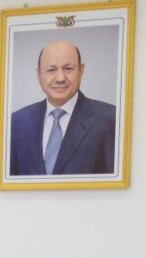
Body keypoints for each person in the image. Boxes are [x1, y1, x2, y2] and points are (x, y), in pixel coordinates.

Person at [9, 39, 116, 175]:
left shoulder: (111, 119)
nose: (60, 78)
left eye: (68, 69)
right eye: (51, 70)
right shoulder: (16, 123)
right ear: (38, 74)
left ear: (81, 70)